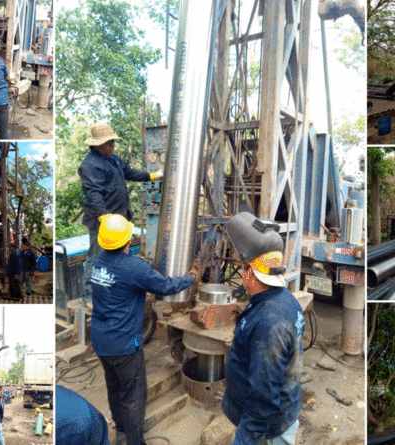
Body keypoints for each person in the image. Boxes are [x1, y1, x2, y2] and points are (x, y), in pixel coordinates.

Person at [90, 214, 197, 445]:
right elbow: (166, 285)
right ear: (129, 241)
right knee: (134, 396)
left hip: (101, 341)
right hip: (124, 345)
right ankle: (135, 441)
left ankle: (121, 433)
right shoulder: (134, 268)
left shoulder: (98, 260)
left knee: (115, 388)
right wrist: (190, 278)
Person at [222, 212, 304, 445]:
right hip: (277, 415)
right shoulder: (285, 300)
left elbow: (264, 392)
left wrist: (246, 436)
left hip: (267, 429)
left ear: (250, 273)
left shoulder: (269, 324)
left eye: (242, 267)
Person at [78, 122, 162, 300]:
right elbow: (93, 192)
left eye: (113, 143)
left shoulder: (113, 159)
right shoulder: (90, 164)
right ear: (99, 145)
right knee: (97, 257)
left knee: (116, 259)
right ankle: (88, 297)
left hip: (119, 220)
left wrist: (152, 176)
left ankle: (111, 292)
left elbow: (130, 172)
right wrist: (104, 216)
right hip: (103, 222)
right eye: (110, 143)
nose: (113, 146)